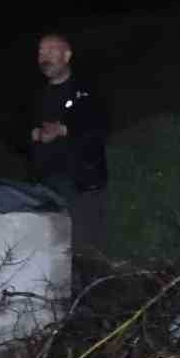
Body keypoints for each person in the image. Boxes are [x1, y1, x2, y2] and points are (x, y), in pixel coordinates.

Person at [28, 31, 111, 266]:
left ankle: (89, 299)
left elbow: (101, 125)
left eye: (50, 51)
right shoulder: (35, 94)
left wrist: (64, 129)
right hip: (45, 187)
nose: (44, 57)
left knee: (85, 255)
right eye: (40, 52)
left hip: (82, 185)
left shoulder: (88, 90)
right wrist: (33, 134)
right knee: (50, 254)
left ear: (67, 55)